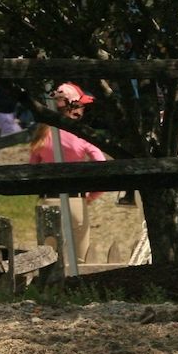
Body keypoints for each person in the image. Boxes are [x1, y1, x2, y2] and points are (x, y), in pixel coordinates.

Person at [30, 82, 110, 265]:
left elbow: (32, 169)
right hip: (76, 201)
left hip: (48, 201)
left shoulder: (41, 134)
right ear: (70, 107)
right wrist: (93, 195)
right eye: (80, 105)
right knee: (80, 260)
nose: (82, 109)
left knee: (47, 260)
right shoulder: (82, 134)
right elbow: (101, 164)